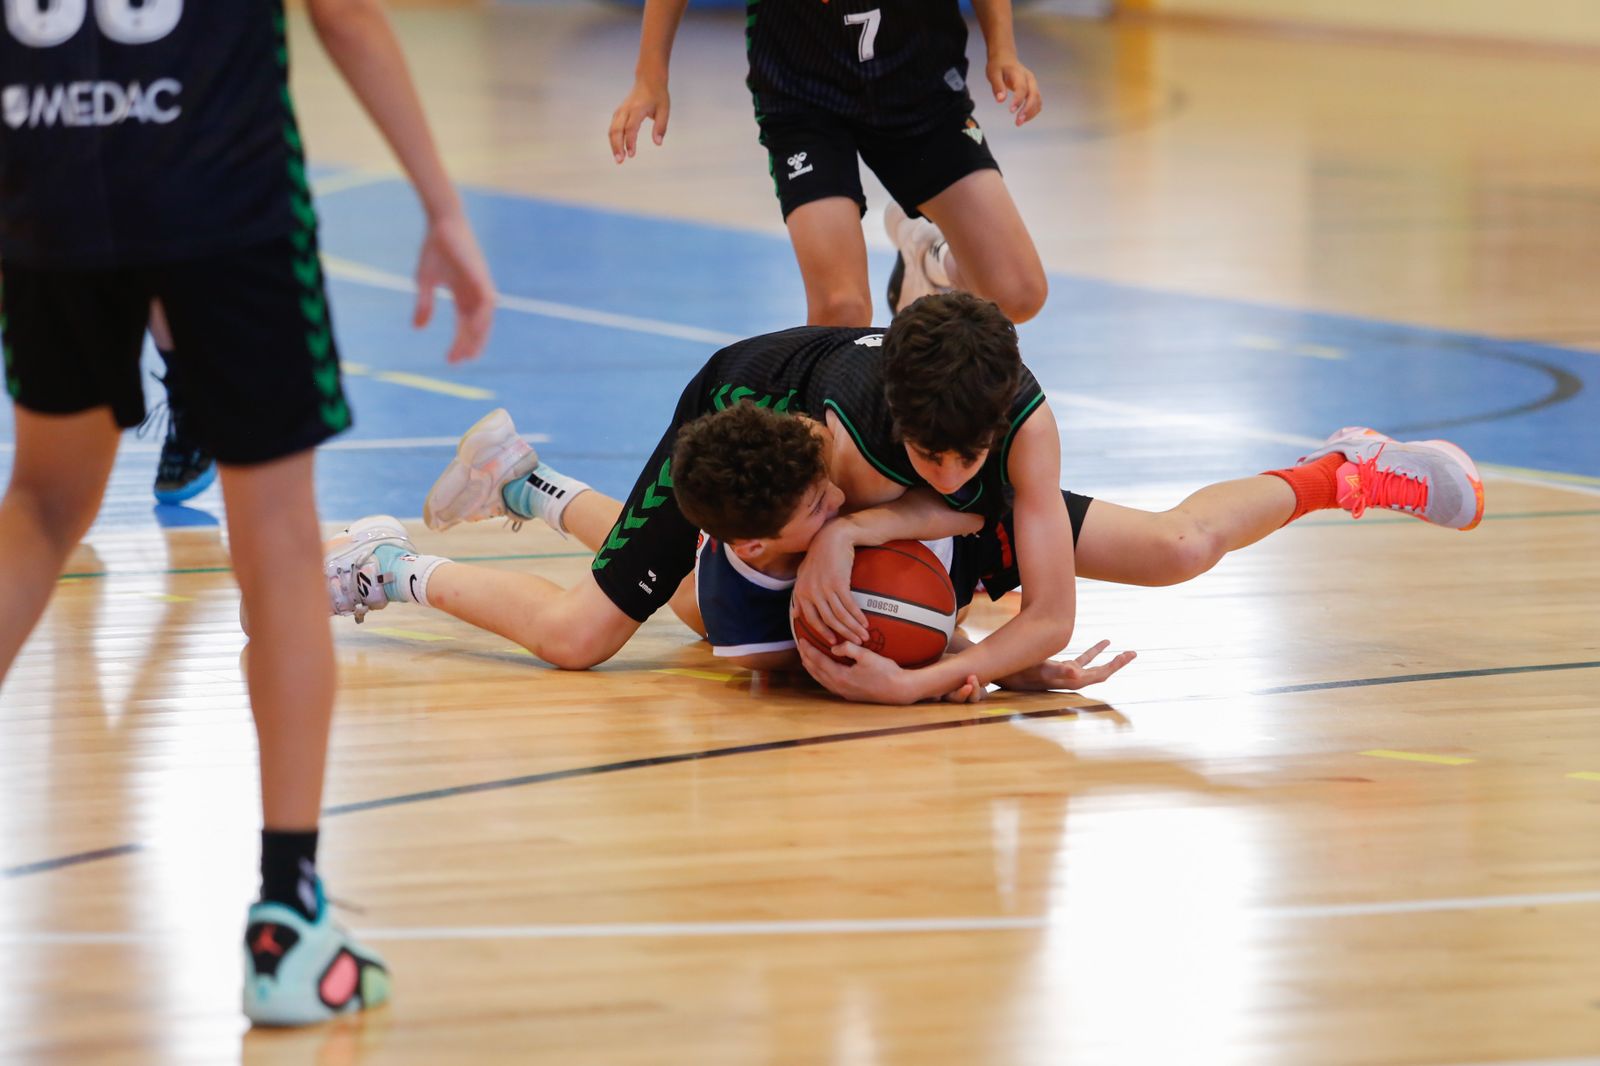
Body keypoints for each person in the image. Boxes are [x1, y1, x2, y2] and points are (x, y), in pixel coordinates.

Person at [0, 0, 493, 1027]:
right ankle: (288, 917)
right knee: (274, 530)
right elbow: (344, 13)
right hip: (216, 186)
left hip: (49, 175)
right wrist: (442, 205)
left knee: (42, 506)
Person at [322, 295, 1484, 704]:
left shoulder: (1017, 422)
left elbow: (1042, 608)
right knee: (599, 634)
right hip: (739, 427)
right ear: (893, 427)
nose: (947, 472)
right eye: (924, 456)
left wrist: (926, 675)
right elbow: (917, 541)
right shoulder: (835, 430)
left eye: (962, 455)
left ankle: (1343, 469)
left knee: (1179, 547)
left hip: (846, 499)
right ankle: (386, 565)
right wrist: (855, 548)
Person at [608, 0, 1048, 325]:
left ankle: (931, 261)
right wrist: (650, 78)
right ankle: (838, 445)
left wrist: (1002, 51)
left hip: (921, 88)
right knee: (842, 310)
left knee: (1018, 293)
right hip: (804, 97)